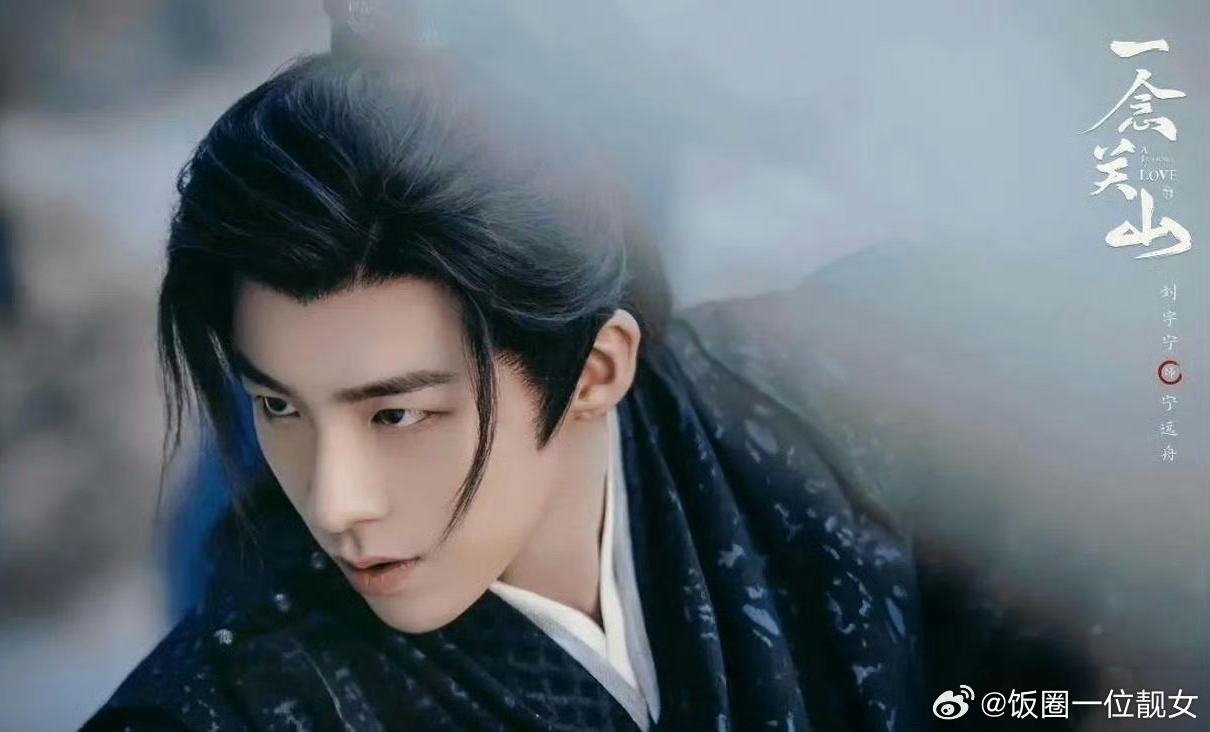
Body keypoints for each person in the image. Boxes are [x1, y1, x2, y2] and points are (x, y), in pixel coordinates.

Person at [80, 29, 1097, 732]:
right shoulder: (230, 703)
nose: (337, 503)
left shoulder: (850, 404)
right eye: (277, 405)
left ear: (596, 369)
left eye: (397, 415)